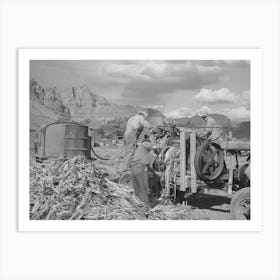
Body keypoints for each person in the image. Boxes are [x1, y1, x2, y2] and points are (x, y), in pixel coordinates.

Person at [130, 139, 159, 206]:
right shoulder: (145, 143)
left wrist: (155, 173)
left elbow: (148, 167)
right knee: (144, 189)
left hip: (133, 168)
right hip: (140, 168)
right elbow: (153, 146)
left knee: (136, 189)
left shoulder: (141, 151)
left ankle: (137, 206)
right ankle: (145, 208)